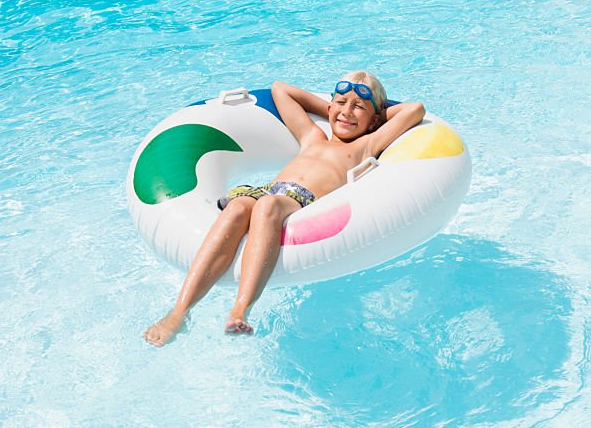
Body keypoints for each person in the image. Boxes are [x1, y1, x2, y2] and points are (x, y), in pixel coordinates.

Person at [143, 72, 425, 344]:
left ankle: (240, 309)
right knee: (238, 208)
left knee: (266, 207)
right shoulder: (313, 136)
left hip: (298, 200)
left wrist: (371, 112)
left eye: (358, 107)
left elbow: (415, 109)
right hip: (263, 192)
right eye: (340, 104)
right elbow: (281, 89)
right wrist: (331, 107)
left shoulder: (367, 144)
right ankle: (179, 312)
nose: (347, 112)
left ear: (375, 118)